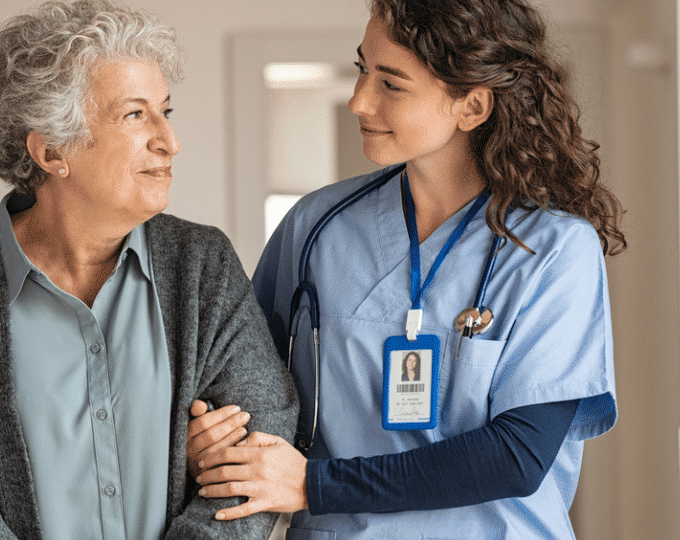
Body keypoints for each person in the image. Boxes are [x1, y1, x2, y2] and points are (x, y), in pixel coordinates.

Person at [185, 0, 625, 538]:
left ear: (473, 106)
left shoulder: (552, 251)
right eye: (361, 70)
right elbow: (246, 391)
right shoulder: (315, 228)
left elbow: (517, 455)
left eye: (391, 84)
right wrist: (213, 435)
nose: (358, 100)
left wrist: (315, 485)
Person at [0, 1, 298, 539]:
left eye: (165, 111)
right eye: (134, 114)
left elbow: (259, 446)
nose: (169, 141)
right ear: (52, 150)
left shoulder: (201, 266)